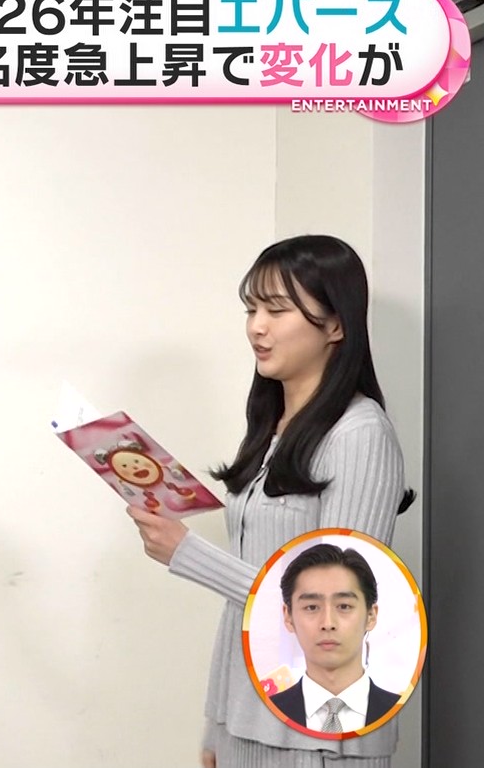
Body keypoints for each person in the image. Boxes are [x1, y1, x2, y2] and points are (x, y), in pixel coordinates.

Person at [128, 234, 413, 767]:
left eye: (277, 310)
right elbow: (243, 612)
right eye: (252, 309)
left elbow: (338, 606)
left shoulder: (360, 434)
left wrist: (188, 554)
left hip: (322, 736)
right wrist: (217, 726)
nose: (257, 327)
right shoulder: (272, 430)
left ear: (336, 325)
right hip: (248, 722)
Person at [267, 543, 401, 733]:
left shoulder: (404, 715)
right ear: (288, 617)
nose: (328, 623)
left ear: (371, 616)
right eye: (312, 607)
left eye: (344, 606)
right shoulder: (264, 714)